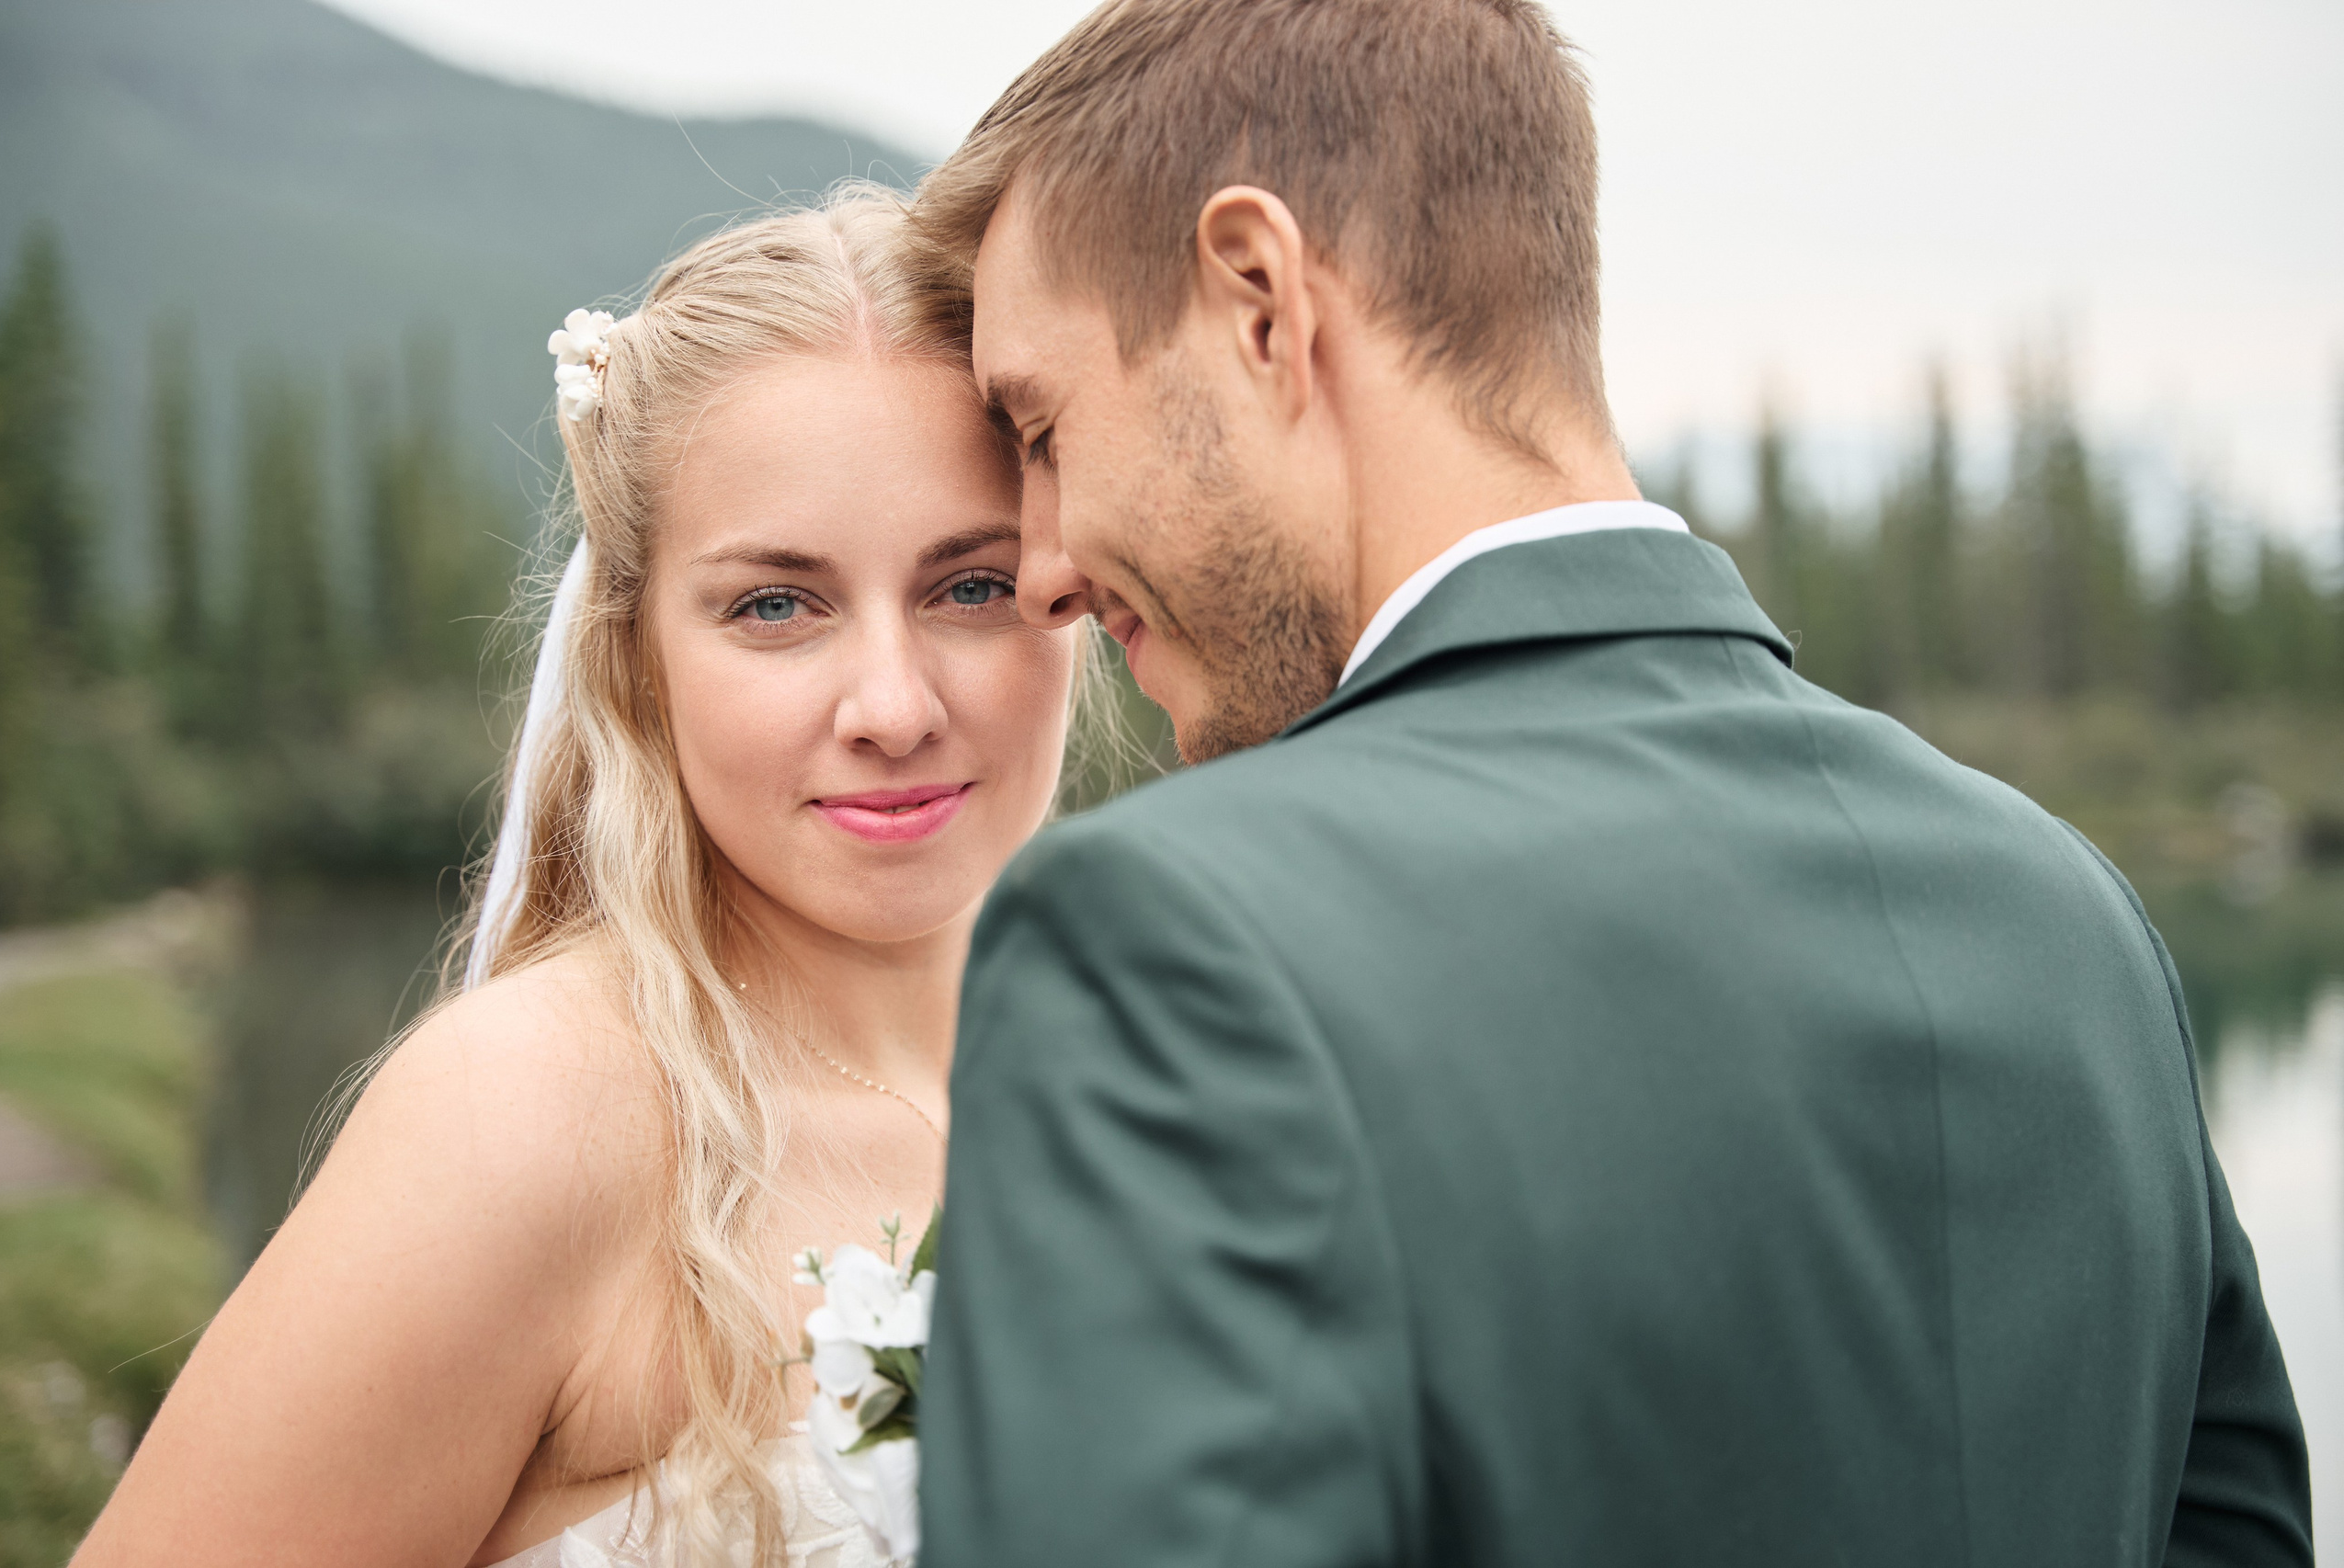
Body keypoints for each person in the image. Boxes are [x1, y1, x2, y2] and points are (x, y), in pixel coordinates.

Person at [909, 2, 2315, 1564]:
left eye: (1042, 427)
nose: (1040, 565)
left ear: (1261, 300)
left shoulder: (1165, 939)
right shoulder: (2072, 915)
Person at [71, 190, 1081, 1568]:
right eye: (776, 605)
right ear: (636, 654)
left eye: (971, 586)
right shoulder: (527, 1116)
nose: (892, 707)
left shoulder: (1139, 1059)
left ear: (1076, 584)